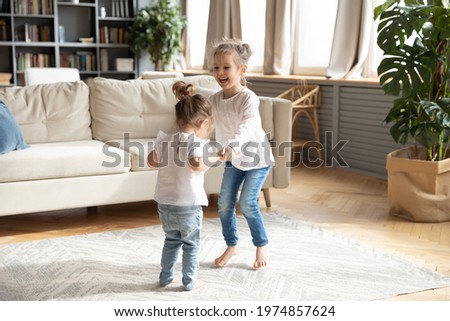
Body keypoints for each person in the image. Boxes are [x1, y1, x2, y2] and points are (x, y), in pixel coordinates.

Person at [208, 39, 274, 270]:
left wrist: (234, 144)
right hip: (233, 159)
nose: (220, 72)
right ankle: (232, 245)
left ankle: (261, 243)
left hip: (257, 159)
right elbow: (204, 120)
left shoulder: (248, 98)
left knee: (246, 203)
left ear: (241, 70)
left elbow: (247, 125)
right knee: (225, 203)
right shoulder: (215, 99)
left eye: (226, 67)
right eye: (216, 67)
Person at [147, 81, 220, 291]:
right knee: (191, 244)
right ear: (203, 122)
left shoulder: (165, 139)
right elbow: (196, 164)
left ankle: (165, 277)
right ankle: (190, 282)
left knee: (171, 240)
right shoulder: (197, 143)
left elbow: (151, 162)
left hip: (164, 204)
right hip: (188, 205)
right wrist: (213, 158)